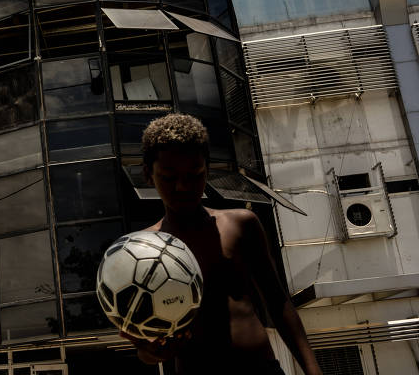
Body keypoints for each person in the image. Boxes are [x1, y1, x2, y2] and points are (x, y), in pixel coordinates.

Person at [121, 114, 321, 375]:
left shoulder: (241, 224)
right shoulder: (143, 251)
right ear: (149, 174)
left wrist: (312, 369)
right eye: (169, 177)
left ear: (207, 169)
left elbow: (278, 302)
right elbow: (145, 347)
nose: (183, 186)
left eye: (194, 174)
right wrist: (150, 352)